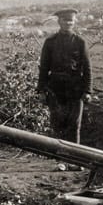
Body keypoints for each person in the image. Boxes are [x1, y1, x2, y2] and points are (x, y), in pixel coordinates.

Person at [37, 8, 91, 143]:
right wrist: (42, 91)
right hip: (55, 89)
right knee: (57, 125)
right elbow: (43, 68)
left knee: (74, 126)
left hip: (75, 90)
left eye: (70, 20)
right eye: (65, 20)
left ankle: (75, 160)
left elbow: (87, 68)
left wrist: (87, 90)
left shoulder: (80, 42)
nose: (68, 23)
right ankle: (60, 161)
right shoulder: (50, 42)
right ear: (59, 21)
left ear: (74, 22)